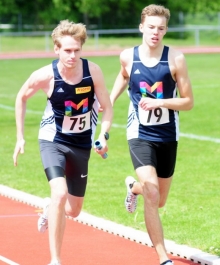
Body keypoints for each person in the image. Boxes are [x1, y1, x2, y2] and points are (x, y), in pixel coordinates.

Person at [13, 20, 113, 265]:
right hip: (53, 141)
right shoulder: (46, 75)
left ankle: (49, 209)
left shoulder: (93, 72)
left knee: (73, 210)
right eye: (67, 50)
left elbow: (107, 107)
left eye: (77, 50)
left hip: (81, 145)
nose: (72, 55)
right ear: (56, 49)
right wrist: (20, 137)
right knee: (59, 192)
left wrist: (104, 135)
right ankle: (55, 260)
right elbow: (21, 97)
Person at [110, 4, 193, 265]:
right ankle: (163, 258)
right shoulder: (128, 56)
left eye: (161, 28)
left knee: (158, 200)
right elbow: (123, 76)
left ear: (166, 30)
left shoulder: (176, 59)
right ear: (141, 27)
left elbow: (188, 101)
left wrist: (162, 103)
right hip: (139, 133)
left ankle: (133, 189)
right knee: (153, 193)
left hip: (168, 135)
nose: (155, 33)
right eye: (151, 27)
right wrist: (109, 99)